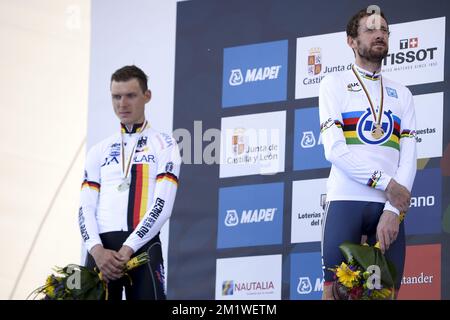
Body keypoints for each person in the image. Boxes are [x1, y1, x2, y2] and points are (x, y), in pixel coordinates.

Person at [319, 8, 417, 299]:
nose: (380, 35)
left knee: (385, 295)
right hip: (345, 201)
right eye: (371, 29)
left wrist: (392, 210)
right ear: (351, 41)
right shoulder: (332, 84)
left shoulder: (404, 93)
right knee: (334, 295)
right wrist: (387, 185)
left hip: (387, 208)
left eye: (384, 30)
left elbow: (408, 157)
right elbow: (334, 150)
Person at [78, 65, 181, 300]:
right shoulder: (98, 150)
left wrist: (128, 248)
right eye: (116, 96)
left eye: (130, 95)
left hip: (142, 247)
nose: (122, 103)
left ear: (147, 96)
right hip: (101, 252)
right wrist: (96, 251)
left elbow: (162, 206)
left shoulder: (165, 144)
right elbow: (85, 209)